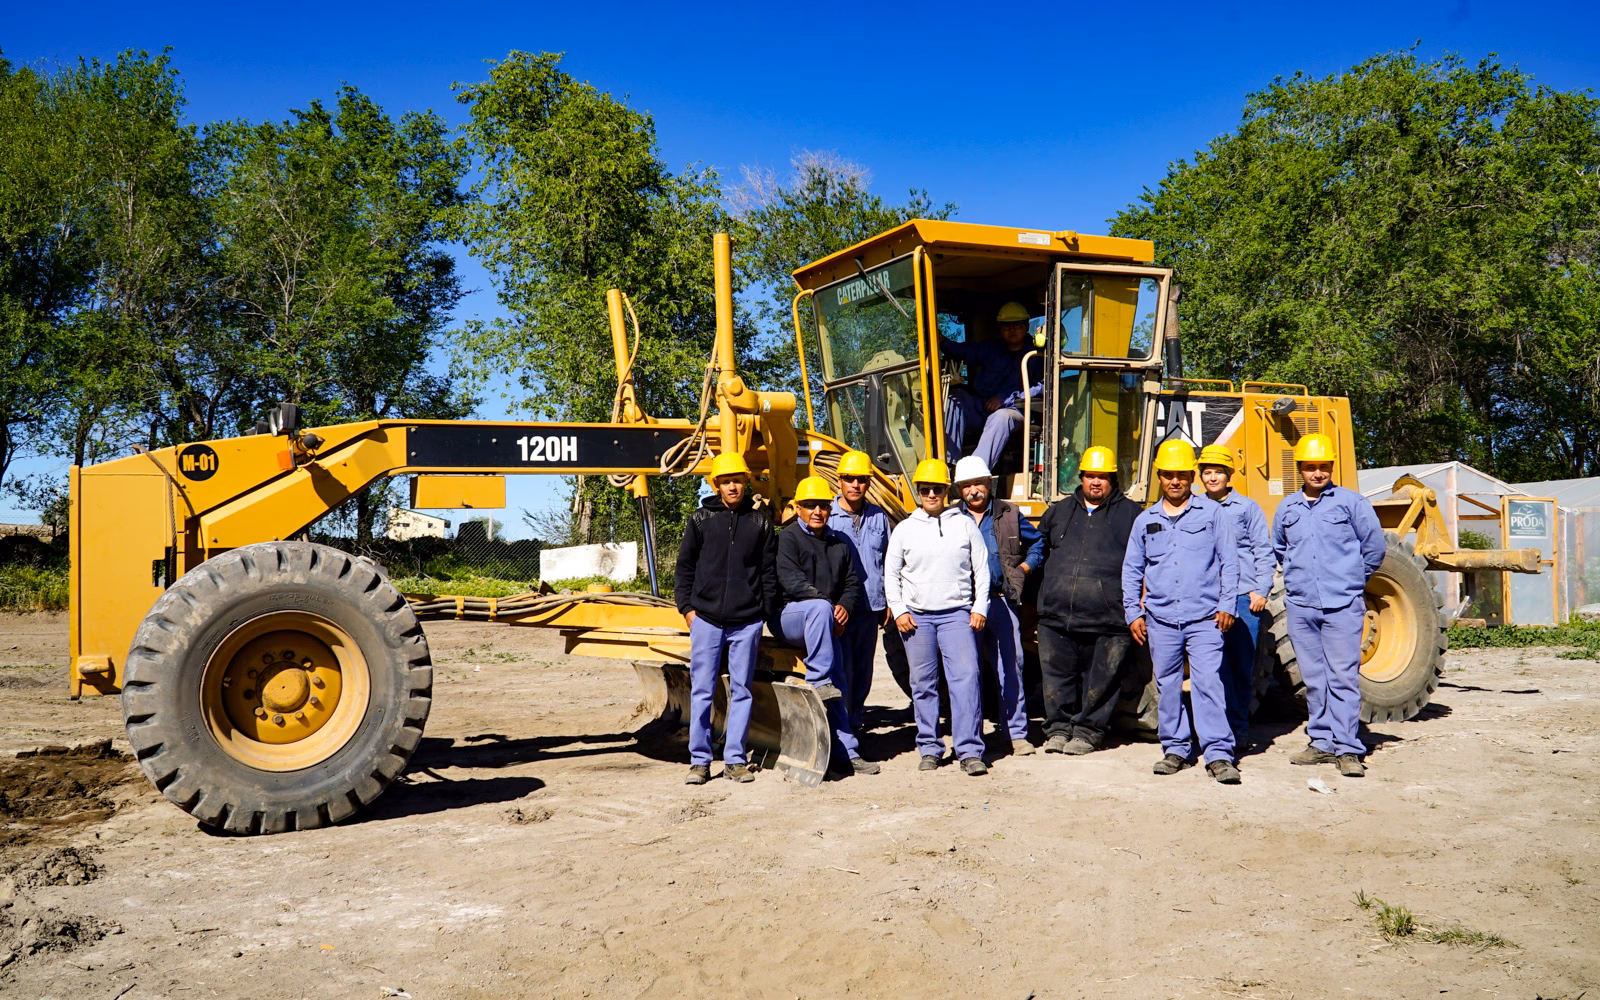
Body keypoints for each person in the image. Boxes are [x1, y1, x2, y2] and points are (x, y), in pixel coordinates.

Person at [1121, 440, 1241, 784]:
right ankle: (1175, 749)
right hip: (1160, 620)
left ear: (1192, 477)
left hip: (1205, 618)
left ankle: (1218, 753)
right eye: (1169, 475)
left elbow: (1228, 561)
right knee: (1167, 685)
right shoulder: (1145, 520)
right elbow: (1132, 569)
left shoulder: (1212, 514)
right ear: (1159, 476)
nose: (1175, 481)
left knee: (1207, 683)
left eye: (1182, 475)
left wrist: (1227, 605)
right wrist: (1133, 612)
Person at [1272, 433, 1386, 778]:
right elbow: (1279, 549)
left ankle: (1349, 748)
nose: (1317, 473)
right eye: (1311, 467)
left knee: (1343, 678)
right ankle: (1321, 743)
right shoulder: (1287, 508)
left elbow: (1375, 548)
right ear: (1301, 470)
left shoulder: (1351, 503)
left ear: (1331, 468)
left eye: (1323, 467)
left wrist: (1351, 581)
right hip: (1302, 606)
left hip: (1341, 605)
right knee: (1314, 679)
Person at [673, 452, 778, 785]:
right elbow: (685, 568)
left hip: (746, 622)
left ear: (746, 482)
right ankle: (700, 762)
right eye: (726, 481)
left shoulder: (760, 522)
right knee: (702, 690)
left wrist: (762, 612)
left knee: (742, 690)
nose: (733, 486)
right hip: (705, 619)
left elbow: (768, 573)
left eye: (738, 480)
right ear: (715, 484)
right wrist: (687, 609)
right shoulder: (701, 520)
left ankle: (734, 760)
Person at [885, 458, 992, 776]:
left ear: (947, 491)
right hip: (918, 619)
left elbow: (981, 569)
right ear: (918, 491)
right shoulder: (904, 530)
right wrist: (900, 608)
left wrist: (979, 607)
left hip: (957, 616)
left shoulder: (964, 525)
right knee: (923, 685)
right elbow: (891, 574)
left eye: (937, 488)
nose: (931, 493)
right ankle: (930, 747)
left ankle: (970, 750)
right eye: (925, 488)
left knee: (967, 680)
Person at [1034, 446, 1140, 755]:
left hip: (1108, 618)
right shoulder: (1059, 511)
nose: (1096, 482)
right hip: (1057, 615)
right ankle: (1057, 729)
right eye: (1091, 476)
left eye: (1103, 477)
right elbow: (1038, 550)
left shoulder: (1131, 515)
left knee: (1102, 681)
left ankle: (1088, 732)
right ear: (1081, 478)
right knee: (1057, 677)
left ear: (1112, 480)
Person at [775, 475, 871, 776]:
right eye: (809, 505)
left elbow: (853, 582)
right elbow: (791, 583)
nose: (817, 510)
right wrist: (829, 609)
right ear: (798, 508)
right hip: (790, 617)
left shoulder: (838, 543)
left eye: (823, 505)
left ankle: (847, 751)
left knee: (840, 681)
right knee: (817, 609)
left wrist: (844, 607)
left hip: (825, 621)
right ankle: (818, 680)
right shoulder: (786, 538)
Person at [951, 455, 1043, 756]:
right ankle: (972, 736)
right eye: (966, 486)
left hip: (1002, 601)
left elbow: (1039, 543)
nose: (973, 490)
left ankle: (1016, 734)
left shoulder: (1010, 513)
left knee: (1011, 666)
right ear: (960, 490)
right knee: (968, 670)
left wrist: (1023, 570)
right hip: (964, 606)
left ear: (989, 484)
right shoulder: (952, 518)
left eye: (978, 483)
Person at [1197, 444, 1275, 750]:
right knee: (1211, 670)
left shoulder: (1247, 508)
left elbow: (1262, 551)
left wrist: (1262, 590)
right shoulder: (1195, 506)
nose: (1213, 477)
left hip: (1243, 597)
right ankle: (1214, 732)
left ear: (1229, 475)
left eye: (1218, 472)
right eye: (1207, 472)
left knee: (1241, 669)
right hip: (1206, 599)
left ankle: (1238, 731)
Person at [828, 451, 895, 769]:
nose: (856, 484)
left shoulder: (879, 517)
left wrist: (890, 601)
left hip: (871, 607)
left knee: (864, 673)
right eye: (850, 479)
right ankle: (841, 734)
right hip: (841, 611)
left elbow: (889, 562)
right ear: (839, 481)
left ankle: (854, 725)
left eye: (862, 480)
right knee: (842, 673)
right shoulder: (825, 515)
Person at [941, 301, 1045, 470]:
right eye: (1006, 325)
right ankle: (947, 465)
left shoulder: (1037, 354)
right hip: (982, 408)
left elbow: (1042, 386)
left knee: (1001, 417)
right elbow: (966, 352)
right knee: (956, 398)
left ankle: (974, 473)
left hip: (1016, 411)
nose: (1012, 329)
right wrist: (943, 342)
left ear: (1026, 325)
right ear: (1000, 328)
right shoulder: (991, 348)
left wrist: (1005, 398)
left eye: (1017, 324)